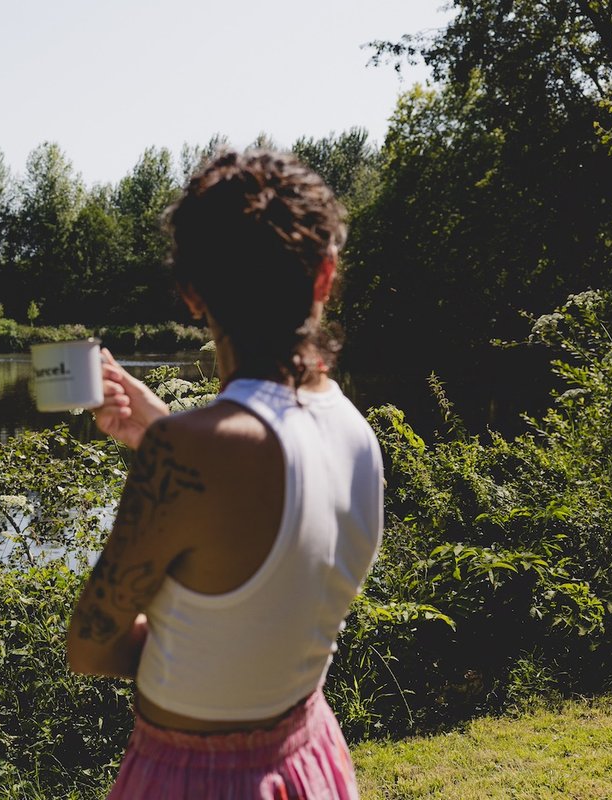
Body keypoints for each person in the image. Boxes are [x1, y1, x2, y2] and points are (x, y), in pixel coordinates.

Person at [66, 149, 383, 799]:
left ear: (192, 294)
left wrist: (168, 439)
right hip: (306, 756)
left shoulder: (188, 453)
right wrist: (161, 427)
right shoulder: (354, 432)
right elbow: (268, 585)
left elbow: (90, 647)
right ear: (324, 277)